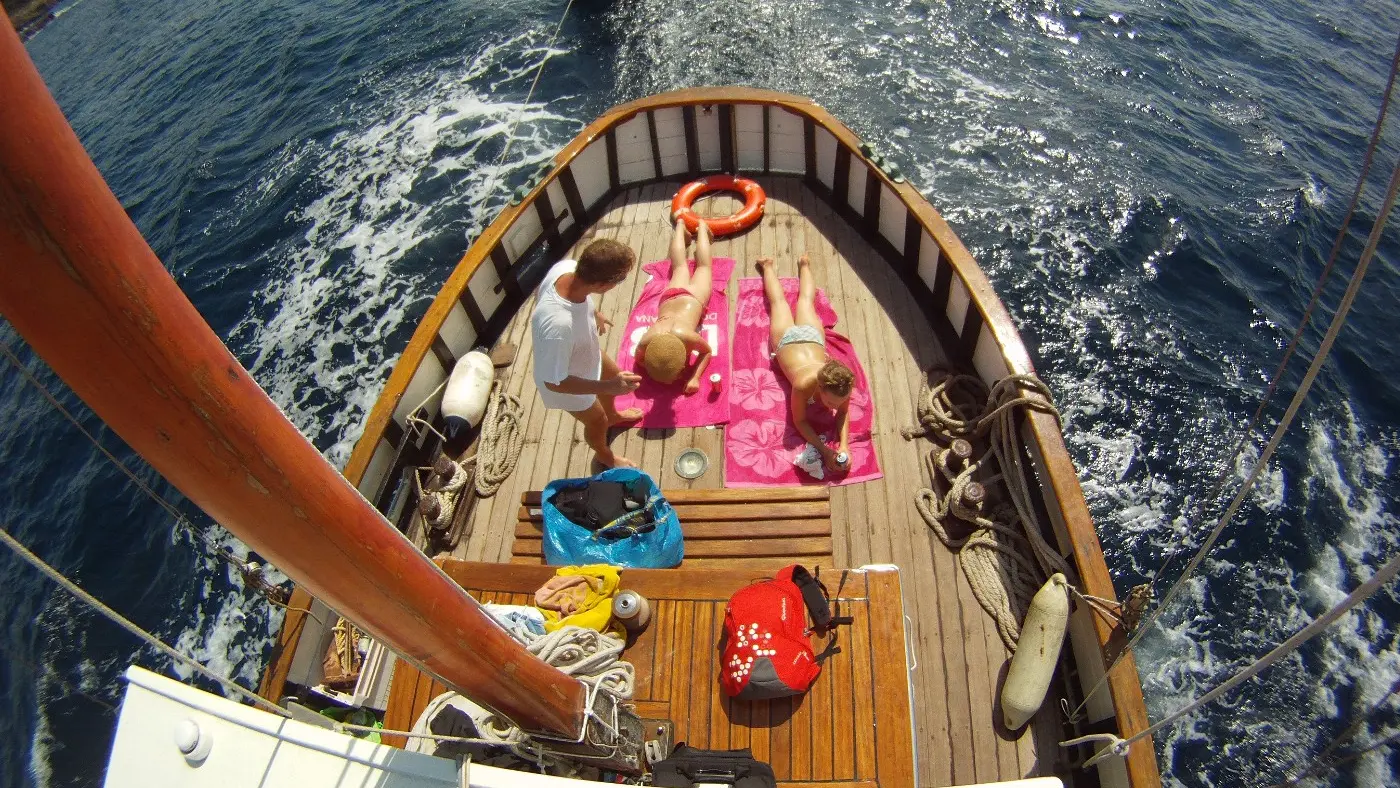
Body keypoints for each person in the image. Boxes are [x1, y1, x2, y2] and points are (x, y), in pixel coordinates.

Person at [531, 238, 644, 468]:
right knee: (597, 421)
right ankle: (605, 455)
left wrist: (594, 313)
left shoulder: (568, 268)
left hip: (585, 352)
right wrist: (606, 387)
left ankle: (613, 415)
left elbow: (578, 301)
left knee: (613, 374)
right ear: (602, 286)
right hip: (566, 382)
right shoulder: (559, 326)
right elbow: (554, 382)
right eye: (620, 279)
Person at [756, 253, 854, 473]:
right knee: (779, 303)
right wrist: (824, 450)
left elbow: (843, 412)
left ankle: (805, 264)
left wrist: (844, 445)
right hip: (787, 339)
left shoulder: (843, 383)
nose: (834, 408)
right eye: (830, 403)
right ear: (820, 386)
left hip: (812, 338)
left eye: (837, 403)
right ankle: (767, 266)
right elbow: (799, 421)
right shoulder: (803, 385)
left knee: (806, 301)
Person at [635, 218, 715, 393]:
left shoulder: (687, 338)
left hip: (693, 298)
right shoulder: (646, 341)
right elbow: (639, 359)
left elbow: (707, 352)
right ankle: (680, 225)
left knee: (703, 267)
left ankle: (702, 228)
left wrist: (695, 377)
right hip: (671, 297)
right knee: (679, 266)